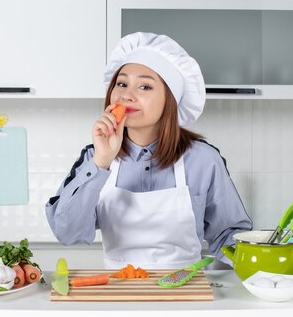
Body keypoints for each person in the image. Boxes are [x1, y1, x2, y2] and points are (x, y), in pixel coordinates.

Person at [46, 32, 252, 269]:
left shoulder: (203, 159)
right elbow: (67, 233)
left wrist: (264, 259)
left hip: (185, 292)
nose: (126, 95)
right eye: (121, 83)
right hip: (120, 292)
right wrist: (101, 162)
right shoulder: (95, 157)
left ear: (170, 100)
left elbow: (228, 235)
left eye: (144, 86)